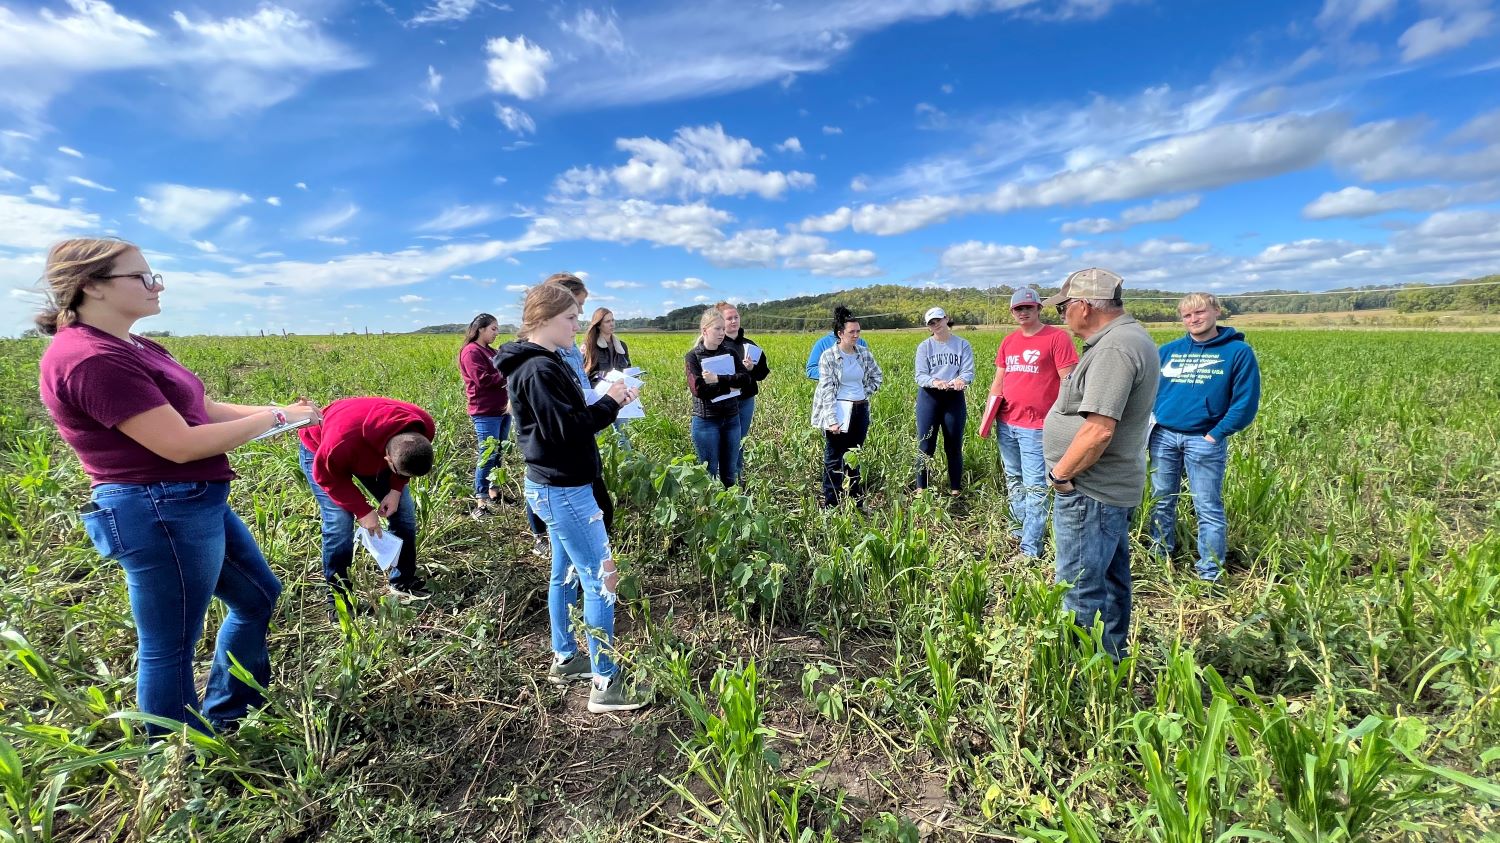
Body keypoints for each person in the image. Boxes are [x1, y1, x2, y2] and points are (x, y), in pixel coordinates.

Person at [36, 237, 320, 734]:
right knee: (169, 647)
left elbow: (202, 411)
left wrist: (284, 415)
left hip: (191, 502)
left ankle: (231, 713)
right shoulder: (90, 358)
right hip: (159, 509)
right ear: (91, 286)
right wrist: (275, 417)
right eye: (142, 277)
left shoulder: (134, 345)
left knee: (257, 596)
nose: (157, 284)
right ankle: (176, 768)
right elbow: (182, 444)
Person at [495, 284, 650, 713]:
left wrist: (602, 402)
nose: (577, 324)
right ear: (542, 320)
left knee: (563, 574)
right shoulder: (539, 371)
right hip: (566, 490)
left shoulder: (539, 363)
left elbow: (561, 422)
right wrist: (612, 403)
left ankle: (565, 658)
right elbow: (568, 430)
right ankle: (606, 683)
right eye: (569, 318)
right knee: (601, 581)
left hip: (553, 485)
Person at [1041, 268, 1159, 661]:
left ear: (1083, 306)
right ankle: (1110, 660)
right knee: (1108, 582)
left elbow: (1098, 431)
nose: (1061, 315)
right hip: (1104, 490)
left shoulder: (1114, 349)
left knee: (1078, 587)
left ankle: (1079, 676)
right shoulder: (1125, 339)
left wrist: (1060, 476)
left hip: (1090, 490)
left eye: (1062, 307)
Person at [1148, 293, 1262, 582]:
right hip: (1163, 436)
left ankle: (1209, 572)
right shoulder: (1169, 351)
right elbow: (1150, 391)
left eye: (1199, 312)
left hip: (1203, 439)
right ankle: (1160, 557)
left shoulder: (1238, 352)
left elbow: (1245, 402)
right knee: (1162, 499)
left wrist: (1217, 434)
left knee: (1207, 506)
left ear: (1216, 312)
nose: (1194, 319)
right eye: (1187, 315)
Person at [298, 396, 435, 614]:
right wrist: (363, 511)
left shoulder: (422, 425)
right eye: (398, 472)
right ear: (388, 460)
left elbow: (408, 463)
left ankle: (402, 582)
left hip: (364, 447)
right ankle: (339, 601)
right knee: (339, 523)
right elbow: (327, 477)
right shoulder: (340, 442)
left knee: (403, 512)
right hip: (322, 451)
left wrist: (396, 489)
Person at [988, 288, 1078, 559]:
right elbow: (999, 380)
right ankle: (1018, 530)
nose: (1023, 312)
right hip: (1007, 422)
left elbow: (1069, 382)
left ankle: (1030, 548)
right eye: (1018, 308)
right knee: (1013, 478)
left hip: (1037, 427)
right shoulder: (1009, 342)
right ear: (1012, 312)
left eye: (1028, 307)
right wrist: (988, 413)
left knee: (1036, 485)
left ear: (1039, 308)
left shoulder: (1056, 338)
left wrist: (1064, 419)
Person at [811, 306, 884, 507]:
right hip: (839, 410)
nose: (856, 335)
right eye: (852, 332)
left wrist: (864, 392)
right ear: (840, 334)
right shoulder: (829, 356)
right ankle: (831, 503)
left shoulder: (863, 353)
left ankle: (855, 501)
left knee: (855, 455)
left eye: (858, 331)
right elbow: (826, 390)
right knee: (834, 459)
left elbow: (877, 376)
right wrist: (832, 420)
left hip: (860, 410)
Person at [914, 306, 975, 496]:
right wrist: (935, 382)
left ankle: (955, 489)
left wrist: (961, 380)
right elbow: (920, 375)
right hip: (929, 397)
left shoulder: (962, 344)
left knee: (953, 444)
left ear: (946, 319)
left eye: (938, 320)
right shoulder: (925, 347)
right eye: (931, 323)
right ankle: (921, 489)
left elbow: (968, 371)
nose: (936, 325)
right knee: (925, 445)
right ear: (928, 327)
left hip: (954, 398)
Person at [685, 308, 748, 486]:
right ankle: (711, 512)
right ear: (705, 331)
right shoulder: (693, 357)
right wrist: (730, 386)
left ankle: (732, 511)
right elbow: (699, 390)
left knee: (730, 473)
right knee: (709, 474)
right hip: (706, 421)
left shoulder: (730, 353)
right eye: (717, 329)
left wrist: (717, 379)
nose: (722, 333)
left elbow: (745, 379)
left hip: (731, 419)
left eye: (723, 329)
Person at [458, 313, 509, 519]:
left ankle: (494, 492)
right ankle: (480, 502)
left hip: (502, 409)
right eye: (493, 329)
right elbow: (483, 380)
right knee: (487, 455)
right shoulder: (471, 352)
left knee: (498, 453)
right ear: (481, 329)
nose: (497, 333)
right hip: (485, 411)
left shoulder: (490, 351)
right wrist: (507, 373)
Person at [716, 302, 771, 447]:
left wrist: (752, 368)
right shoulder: (715, 345)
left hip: (746, 400)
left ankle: (737, 469)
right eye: (729, 318)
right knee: (724, 439)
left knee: (740, 440)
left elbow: (763, 373)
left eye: (736, 317)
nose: (734, 321)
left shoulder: (750, 345)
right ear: (720, 321)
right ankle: (725, 469)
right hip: (723, 401)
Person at [583, 307, 631, 386]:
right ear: (599, 325)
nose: (612, 324)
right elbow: (585, 374)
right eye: (607, 321)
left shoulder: (622, 346)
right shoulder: (590, 346)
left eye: (612, 320)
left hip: (621, 389)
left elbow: (628, 368)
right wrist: (607, 376)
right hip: (600, 392)